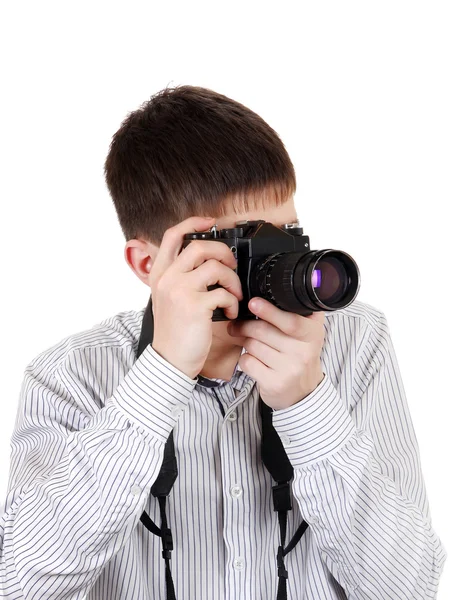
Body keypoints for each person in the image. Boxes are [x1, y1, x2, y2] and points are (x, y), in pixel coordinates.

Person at [0, 85, 446, 600]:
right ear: (151, 265)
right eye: (248, 244)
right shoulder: (70, 375)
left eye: (287, 235)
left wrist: (309, 403)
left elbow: (409, 587)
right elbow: (21, 584)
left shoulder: (354, 340)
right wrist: (160, 376)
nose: (278, 262)